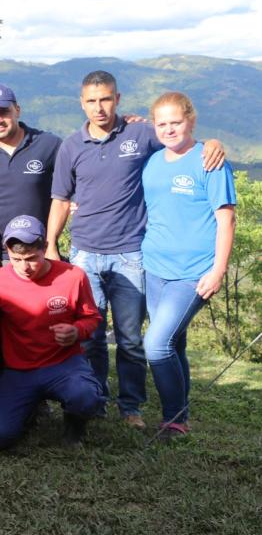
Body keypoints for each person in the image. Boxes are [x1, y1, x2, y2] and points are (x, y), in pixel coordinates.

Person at [46, 70, 224, 428]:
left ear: (118, 98)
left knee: (130, 339)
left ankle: (131, 407)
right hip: (84, 253)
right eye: (92, 101)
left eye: (106, 99)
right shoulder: (71, 146)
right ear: (82, 103)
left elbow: (181, 146)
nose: (99, 107)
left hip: (131, 253)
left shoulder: (140, 132)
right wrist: (51, 244)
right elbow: (61, 199)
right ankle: (95, 400)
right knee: (91, 336)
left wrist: (213, 143)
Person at [142, 92, 236, 439]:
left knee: (156, 344)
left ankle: (173, 419)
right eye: (162, 123)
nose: (169, 129)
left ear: (191, 121)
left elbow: (226, 220)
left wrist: (218, 270)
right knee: (174, 343)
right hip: (154, 267)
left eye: (176, 122)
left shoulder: (210, 161)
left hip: (193, 272)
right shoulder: (152, 163)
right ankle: (180, 415)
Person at [0, 215, 105, 448]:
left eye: (32, 258)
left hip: (63, 364)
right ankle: (25, 410)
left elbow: (92, 317)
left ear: (45, 248)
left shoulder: (73, 276)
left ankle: (74, 426)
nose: (24, 267)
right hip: (18, 369)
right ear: (7, 252)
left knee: (86, 397)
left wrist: (76, 331)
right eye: (16, 259)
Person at [0, 84, 61, 274]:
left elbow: (80, 169)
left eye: (4, 112)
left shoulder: (49, 144)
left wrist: (123, 126)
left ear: (17, 110)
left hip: (39, 254)